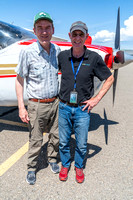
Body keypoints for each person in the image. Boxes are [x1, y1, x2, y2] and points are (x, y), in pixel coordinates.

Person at [58, 21, 114, 183]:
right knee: (63, 141)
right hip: (64, 107)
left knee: (82, 144)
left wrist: (96, 99)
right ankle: (66, 164)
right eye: (74, 34)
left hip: (83, 109)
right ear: (69, 36)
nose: (77, 38)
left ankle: (79, 166)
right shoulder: (62, 56)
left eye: (81, 34)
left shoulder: (94, 58)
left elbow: (109, 78)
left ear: (86, 37)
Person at [15, 11, 61, 185]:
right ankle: (31, 167)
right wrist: (21, 106)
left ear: (52, 29)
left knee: (56, 136)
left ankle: (52, 159)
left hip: (55, 102)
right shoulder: (28, 52)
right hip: (37, 104)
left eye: (47, 27)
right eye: (40, 28)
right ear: (34, 30)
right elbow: (19, 80)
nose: (44, 32)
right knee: (35, 139)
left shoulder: (57, 50)